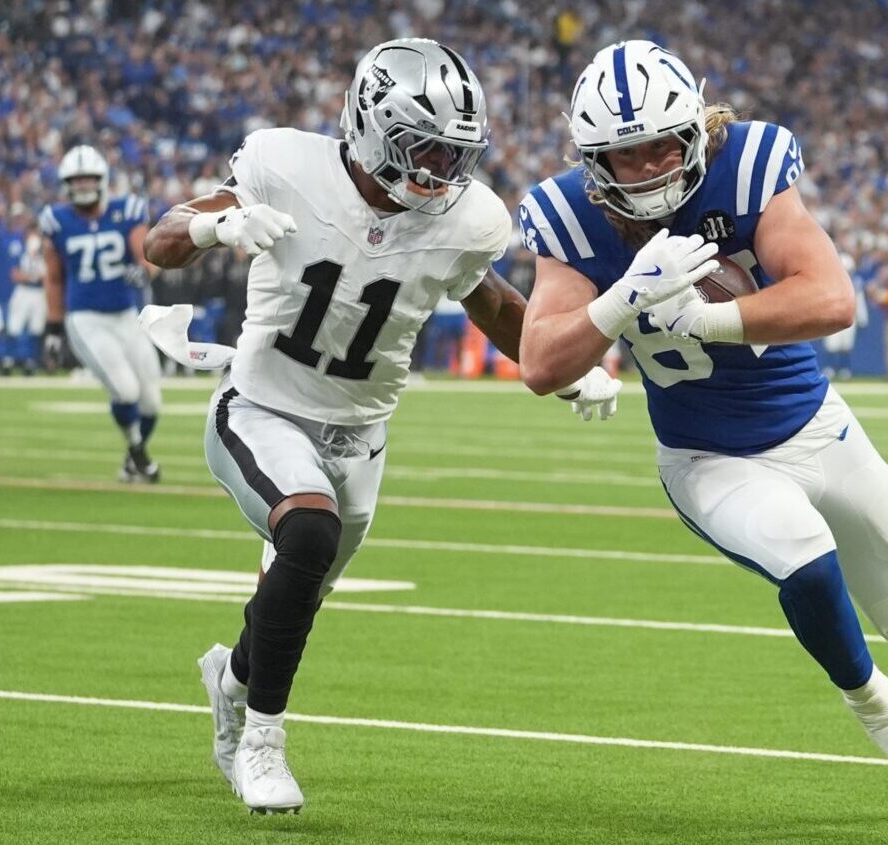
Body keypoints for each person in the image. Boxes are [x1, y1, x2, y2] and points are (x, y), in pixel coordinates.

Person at [517, 40, 888, 829]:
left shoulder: (750, 164)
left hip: (818, 427)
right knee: (803, 554)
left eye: (666, 142)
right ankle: (880, 712)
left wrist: (705, 316)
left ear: (698, 129)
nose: (652, 166)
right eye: (628, 154)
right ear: (594, 159)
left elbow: (833, 298)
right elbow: (538, 361)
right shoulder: (568, 214)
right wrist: (622, 299)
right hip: (710, 456)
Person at [141, 38, 620, 815]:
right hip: (261, 405)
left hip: (361, 435)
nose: (440, 167)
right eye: (421, 145)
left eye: (453, 151)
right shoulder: (283, 164)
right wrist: (213, 230)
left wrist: (566, 374)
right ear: (369, 126)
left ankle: (231, 680)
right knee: (306, 536)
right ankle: (261, 740)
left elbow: (493, 303)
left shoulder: (468, 219)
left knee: (296, 587)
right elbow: (158, 241)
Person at [39, 144, 163, 482]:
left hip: (125, 315)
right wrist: (52, 329)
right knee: (125, 391)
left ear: (102, 180)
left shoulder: (127, 210)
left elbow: (147, 256)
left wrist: (144, 272)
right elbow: (53, 278)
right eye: (75, 180)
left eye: (88, 179)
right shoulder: (56, 220)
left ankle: (131, 459)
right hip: (85, 318)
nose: (82, 186)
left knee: (151, 402)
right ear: (66, 184)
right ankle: (138, 455)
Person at [3, 207, 46, 375]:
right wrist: (34, 277)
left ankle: (30, 362)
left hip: (39, 293)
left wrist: (36, 277)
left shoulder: (46, 248)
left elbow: (50, 275)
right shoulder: (18, 246)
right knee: (14, 326)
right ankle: (8, 360)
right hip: (23, 291)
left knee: (36, 328)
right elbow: (15, 275)